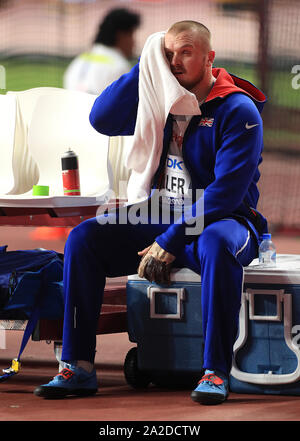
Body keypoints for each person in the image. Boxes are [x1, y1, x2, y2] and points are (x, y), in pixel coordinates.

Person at [34, 20, 267, 405]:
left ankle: (214, 372)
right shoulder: (158, 94)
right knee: (84, 239)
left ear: (210, 58)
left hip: (225, 221)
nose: (175, 62)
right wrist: (146, 64)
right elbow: (102, 119)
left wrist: (169, 240)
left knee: (216, 244)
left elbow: (224, 195)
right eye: (168, 54)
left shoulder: (238, 109)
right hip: (160, 214)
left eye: (186, 53)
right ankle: (78, 366)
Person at [63, 8, 141, 94]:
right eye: (131, 35)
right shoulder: (120, 68)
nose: (134, 42)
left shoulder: (78, 61)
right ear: (120, 35)